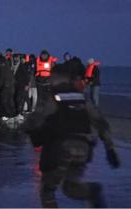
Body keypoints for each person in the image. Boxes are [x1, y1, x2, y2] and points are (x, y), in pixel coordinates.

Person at [25, 64, 120, 208]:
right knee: (71, 188)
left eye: (52, 76)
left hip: (60, 149)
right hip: (83, 148)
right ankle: (91, 191)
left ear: (55, 77)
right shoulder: (82, 97)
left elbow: (35, 120)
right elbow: (100, 123)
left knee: (47, 190)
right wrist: (110, 148)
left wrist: (27, 128)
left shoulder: (52, 96)